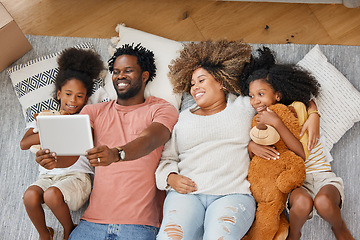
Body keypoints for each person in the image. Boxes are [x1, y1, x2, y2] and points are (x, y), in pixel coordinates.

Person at [36, 43, 179, 240]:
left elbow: (150, 139)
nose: (120, 76)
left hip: (140, 225)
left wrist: (117, 154)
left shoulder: (161, 109)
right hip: (92, 223)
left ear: (144, 76)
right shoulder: (93, 112)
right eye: (116, 71)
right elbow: (72, 152)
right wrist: (53, 161)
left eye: (128, 71)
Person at [243, 47, 354, 240]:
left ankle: (339, 227)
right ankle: (295, 234)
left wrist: (313, 114)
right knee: (302, 202)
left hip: (321, 175)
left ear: (277, 95)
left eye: (261, 94)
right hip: (295, 183)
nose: (255, 101)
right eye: (251, 96)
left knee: (323, 201)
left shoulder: (297, 109)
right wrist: (251, 146)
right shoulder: (260, 120)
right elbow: (262, 150)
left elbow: (301, 153)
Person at [155, 40, 257, 240]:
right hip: (186, 196)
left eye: (201, 80)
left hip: (232, 194)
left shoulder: (244, 107)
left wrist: (313, 113)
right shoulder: (183, 118)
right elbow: (167, 158)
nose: (195, 88)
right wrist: (170, 178)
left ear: (220, 81)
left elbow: (281, 97)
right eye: (192, 84)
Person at [21, 48, 104, 240]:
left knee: (51, 195)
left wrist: (61, 129)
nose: (73, 101)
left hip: (77, 177)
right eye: (68, 94)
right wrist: (51, 129)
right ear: (59, 94)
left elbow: (87, 142)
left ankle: (69, 229)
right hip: (48, 176)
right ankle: (44, 233)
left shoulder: (86, 119)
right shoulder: (43, 117)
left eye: (79, 96)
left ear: (86, 99)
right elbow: (24, 144)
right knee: (30, 196)